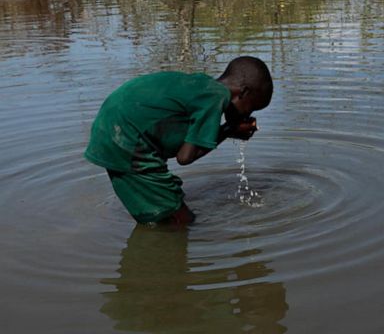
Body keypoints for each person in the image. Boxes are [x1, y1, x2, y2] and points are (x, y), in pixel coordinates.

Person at [84, 56, 273, 225]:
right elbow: (185, 157)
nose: (248, 114)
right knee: (182, 218)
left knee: (159, 217)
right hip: (127, 139)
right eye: (251, 108)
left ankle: (153, 256)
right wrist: (228, 130)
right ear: (243, 92)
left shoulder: (203, 86)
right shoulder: (216, 97)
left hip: (111, 129)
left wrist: (227, 129)